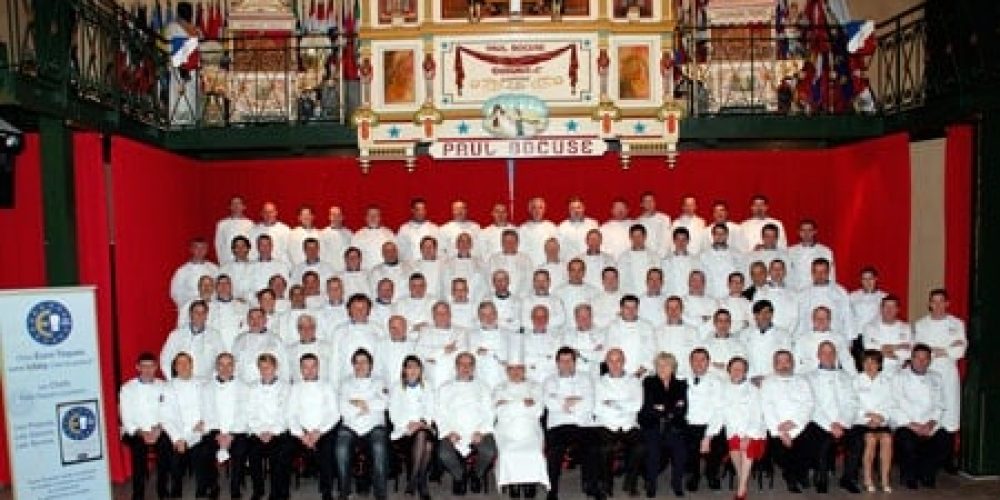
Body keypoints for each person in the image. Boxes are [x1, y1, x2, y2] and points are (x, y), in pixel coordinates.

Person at [702, 357, 766, 500]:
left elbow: (757, 415)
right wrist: (708, 436)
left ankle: (741, 490)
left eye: (741, 369)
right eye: (734, 368)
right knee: (734, 449)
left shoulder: (753, 390)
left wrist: (748, 435)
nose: (737, 371)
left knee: (745, 448)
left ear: (745, 372)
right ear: (728, 370)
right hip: (733, 431)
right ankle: (742, 476)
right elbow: (718, 413)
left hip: (754, 431)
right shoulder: (723, 389)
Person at [803, 341, 862, 493]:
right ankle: (821, 478)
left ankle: (847, 478)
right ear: (818, 355)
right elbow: (811, 404)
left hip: (843, 422)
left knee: (856, 441)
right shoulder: (809, 378)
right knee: (823, 441)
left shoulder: (846, 377)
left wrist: (842, 423)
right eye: (824, 352)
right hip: (820, 422)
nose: (828, 356)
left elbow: (852, 402)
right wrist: (830, 425)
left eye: (831, 353)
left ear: (836, 355)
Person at [913, 288, 966, 456]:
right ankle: (927, 458)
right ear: (929, 304)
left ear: (947, 303)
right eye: (934, 301)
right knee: (929, 411)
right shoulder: (921, 325)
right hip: (928, 372)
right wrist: (946, 348)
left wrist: (939, 350)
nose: (937, 305)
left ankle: (947, 457)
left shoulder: (957, 324)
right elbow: (921, 350)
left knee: (949, 414)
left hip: (948, 373)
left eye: (941, 301)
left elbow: (960, 351)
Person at [435, 352, 498, 495]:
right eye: (462, 364)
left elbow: (490, 412)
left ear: (474, 367)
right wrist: (448, 431)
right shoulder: (444, 388)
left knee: (489, 451)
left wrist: (481, 431)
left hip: (478, 430)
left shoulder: (484, 387)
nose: (465, 367)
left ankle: (476, 474)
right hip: (453, 430)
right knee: (443, 453)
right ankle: (459, 475)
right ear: (456, 366)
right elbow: (439, 413)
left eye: (469, 364)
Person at [493, 347, 550, 498]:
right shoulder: (500, 387)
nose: (515, 372)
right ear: (506, 371)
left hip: (530, 429)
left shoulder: (535, 386)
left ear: (524, 370)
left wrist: (510, 404)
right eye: (511, 369)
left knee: (534, 452)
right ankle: (513, 482)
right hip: (506, 430)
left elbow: (538, 411)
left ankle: (530, 482)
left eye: (519, 368)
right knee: (507, 453)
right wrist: (523, 404)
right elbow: (500, 413)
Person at [893, 343, 950, 489]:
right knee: (908, 441)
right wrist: (913, 425)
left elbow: (940, 404)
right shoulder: (899, 377)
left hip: (929, 424)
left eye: (925, 359)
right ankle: (909, 476)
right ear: (911, 359)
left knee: (944, 439)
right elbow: (894, 404)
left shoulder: (936, 377)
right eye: (918, 358)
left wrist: (931, 424)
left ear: (930, 360)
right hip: (907, 423)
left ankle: (927, 474)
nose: (921, 362)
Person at [336, 348, 391, 500]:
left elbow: (385, 403)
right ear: (353, 365)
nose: (360, 365)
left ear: (371, 365)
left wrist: (359, 403)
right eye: (357, 362)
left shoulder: (380, 381)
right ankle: (345, 491)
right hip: (350, 425)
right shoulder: (345, 382)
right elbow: (342, 407)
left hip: (374, 426)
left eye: (364, 362)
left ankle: (380, 493)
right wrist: (368, 405)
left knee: (379, 448)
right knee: (341, 448)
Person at [542, 347, 596, 500]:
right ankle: (552, 490)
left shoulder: (586, 378)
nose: (566, 364)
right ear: (557, 363)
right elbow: (549, 403)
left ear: (575, 362)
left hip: (582, 423)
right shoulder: (549, 380)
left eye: (569, 360)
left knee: (592, 448)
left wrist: (563, 403)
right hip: (558, 425)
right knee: (554, 452)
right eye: (562, 361)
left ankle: (590, 486)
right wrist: (574, 401)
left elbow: (590, 403)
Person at [239, 353, 293, 500]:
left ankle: (278, 491)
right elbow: (249, 412)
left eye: (268, 367)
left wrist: (273, 431)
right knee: (253, 451)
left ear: (275, 368)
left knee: (280, 452)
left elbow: (286, 413)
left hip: (279, 431)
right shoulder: (252, 388)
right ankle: (258, 490)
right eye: (262, 368)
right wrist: (260, 431)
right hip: (258, 431)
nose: (265, 371)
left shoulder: (286, 387)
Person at [286, 353, 339, 500]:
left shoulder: (327, 386)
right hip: (301, 432)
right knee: (283, 448)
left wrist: (318, 432)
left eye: (313, 366)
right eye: (305, 367)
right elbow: (291, 414)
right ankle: (282, 490)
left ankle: (326, 490)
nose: (309, 370)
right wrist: (301, 434)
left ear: (318, 368)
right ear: (301, 369)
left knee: (328, 449)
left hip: (322, 430)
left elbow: (334, 414)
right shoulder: (295, 388)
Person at [759, 350, 814, 493]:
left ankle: (801, 474)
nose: (784, 365)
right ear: (774, 365)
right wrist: (782, 432)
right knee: (782, 452)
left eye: (787, 361)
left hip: (799, 424)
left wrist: (794, 424)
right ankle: (790, 477)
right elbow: (767, 407)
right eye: (780, 362)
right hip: (777, 426)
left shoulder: (802, 381)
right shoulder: (768, 382)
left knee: (808, 442)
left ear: (792, 363)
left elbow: (808, 404)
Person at [592, 348, 644, 498]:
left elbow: (637, 405)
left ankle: (630, 483)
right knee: (605, 449)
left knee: (640, 447)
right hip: (606, 424)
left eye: (618, 360)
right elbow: (597, 407)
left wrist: (612, 403)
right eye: (611, 361)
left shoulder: (634, 381)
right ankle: (607, 484)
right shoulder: (599, 382)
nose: (615, 364)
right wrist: (623, 404)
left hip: (629, 424)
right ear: (606, 363)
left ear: (624, 362)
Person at [120, 352, 171, 500]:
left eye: (151, 366)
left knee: (165, 445)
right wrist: (142, 433)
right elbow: (126, 417)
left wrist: (159, 428)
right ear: (138, 367)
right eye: (144, 366)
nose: (148, 370)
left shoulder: (164, 386)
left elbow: (168, 411)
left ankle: (162, 488)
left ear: (156, 367)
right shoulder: (127, 388)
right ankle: (138, 492)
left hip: (158, 428)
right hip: (135, 430)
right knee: (139, 449)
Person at [198, 352, 250, 499]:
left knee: (240, 450)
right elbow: (207, 412)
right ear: (216, 366)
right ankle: (213, 485)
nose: (225, 368)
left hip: (236, 430)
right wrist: (219, 434)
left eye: (229, 364)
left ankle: (235, 487)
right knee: (205, 450)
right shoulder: (206, 387)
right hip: (216, 430)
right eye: (222, 364)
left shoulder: (244, 387)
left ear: (234, 367)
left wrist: (230, 435)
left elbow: (244, 413)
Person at [639, 352, 689, 497]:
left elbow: (683, 409)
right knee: (653, 453)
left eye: (666, 365)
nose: (662, 368)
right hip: (653, 424)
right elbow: (648, 407)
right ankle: (651, 484)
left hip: (674, 426)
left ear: (673, 367)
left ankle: (677, 484)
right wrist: (671, 408)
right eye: (659, 365)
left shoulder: (680, 384)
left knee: (680, 453)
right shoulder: (648, 382)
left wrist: (662, 408)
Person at [160, 352, 209, 497]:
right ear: (175, 367)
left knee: (204, 451)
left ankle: (203, 486)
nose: (183, 366)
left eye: (186, 362)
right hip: (179, 430)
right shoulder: (168, 387)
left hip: (200, 430)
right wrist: (177, 438)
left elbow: (211, 406)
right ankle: (177, 487)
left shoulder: (203, 383)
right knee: (175, 454)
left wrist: (205, 422)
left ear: (192, 365)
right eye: (179, 363)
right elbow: (166, 416)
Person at [389, 355, 437, 499]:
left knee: (423, 436)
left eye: (416, 367)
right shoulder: (396, 387)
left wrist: (422, 422)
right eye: (409, 367)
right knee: (427, 445)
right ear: (404, 370)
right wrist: (407, 424)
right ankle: (420, 481)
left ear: (421, 370)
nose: (413, 370)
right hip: (404, 431)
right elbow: (393, 412)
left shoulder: (427, 386)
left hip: (423, 427)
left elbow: (431, 409)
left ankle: (414, 479)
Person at [683, 348, 726, 492]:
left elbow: (719, 410)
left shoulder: (717, 381)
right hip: (689, 424)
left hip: (710, 423)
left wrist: (708, 436)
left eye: (703, 360)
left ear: (708, 362)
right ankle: (693, 475)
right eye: (695, 359)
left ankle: (711, 474)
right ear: (690, 362)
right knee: (688, 445)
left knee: (718, 445)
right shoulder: (682, 380)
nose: (699, 363)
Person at [854, 350, 896, 493]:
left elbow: (892, 403)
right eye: (866, 362)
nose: (869, 365)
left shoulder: (887, 381)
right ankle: (868, 478)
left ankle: (885, 479)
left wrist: (881, 417)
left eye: (873, 362)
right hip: (861, 422)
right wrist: (868, 417)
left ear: (879, 364)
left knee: (887, 439)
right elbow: (853, 403)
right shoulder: (855, 380)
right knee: (870, 439)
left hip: (881, 421)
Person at [161, 300, 225, 380]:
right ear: (190, 314)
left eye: (203, 313)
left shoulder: (215, 335)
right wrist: (173, 379)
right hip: (179, 382)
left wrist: (211, 382)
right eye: (196, 312)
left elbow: (221, 361)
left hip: (204, 384)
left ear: (206, 315)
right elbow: (165, 359)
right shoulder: (176, 334)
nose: (199, 315)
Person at [416, 301, 470, 387]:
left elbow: (461, 355)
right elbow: (419, 353)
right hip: (431, 378)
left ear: (450, 314)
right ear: (433, 316)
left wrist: (433, 356)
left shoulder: (460, 332)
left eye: (445, 312)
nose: (442, 316)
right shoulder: (425, 331)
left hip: (452, 377)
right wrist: (443, 350)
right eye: (438, 313)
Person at [331, 294, 382, 381]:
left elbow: (381, 359)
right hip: (346, 379)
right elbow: (334, 361)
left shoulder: (378, 330)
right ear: (349, 310)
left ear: (369, 310)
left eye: (363, 308)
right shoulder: (339, 331)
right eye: (355, 308)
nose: (359, 311)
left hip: (373, 381)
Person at [740, 300, 792, 383]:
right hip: (750, 380)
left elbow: (786, 360)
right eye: (760, 313)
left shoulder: (784, 335)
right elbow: (742, 357)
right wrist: (750, 376)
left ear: (772, 314)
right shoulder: (744, 335)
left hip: (774, 380)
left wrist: (769, 378)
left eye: (767, 312)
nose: (764, 316)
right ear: (755, 316)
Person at [232, 308, 288, 384]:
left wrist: (284, 384)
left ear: (265, 320)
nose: (255, 321)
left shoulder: (276, 340)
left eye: (259, 317)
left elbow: (284, 365)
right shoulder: (239, 340)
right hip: (245, 386)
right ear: (247, 321)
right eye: (252, 318)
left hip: (270, 386)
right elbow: (233, 365)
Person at [796, 306, 858, 375]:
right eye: (818, 318)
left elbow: (847, 361)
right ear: (812, 319)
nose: (821, 321)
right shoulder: (802, 340)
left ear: (830, 320)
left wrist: (854, 377)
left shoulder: (839, 338)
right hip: (809, 377)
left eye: (824, 318)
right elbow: (796, 362)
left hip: (834, 377)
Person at [605, 295, 654, 378]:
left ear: (638, 309)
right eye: (627, 307)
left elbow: (652, 351)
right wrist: (620, 373)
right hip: (619, 375)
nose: (631, 311)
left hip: (643, 374)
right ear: (621, 309)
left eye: (634, 308)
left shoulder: (647, 326)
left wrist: (640, 372)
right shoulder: (613, 327)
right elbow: (610, 351)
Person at [862, 296, 912, 372]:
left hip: (900, 370)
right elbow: (870, 351)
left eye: (893, 307)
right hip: (877, 371)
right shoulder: (869, 328)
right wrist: (898, 346)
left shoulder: (906, 328)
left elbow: (909, 353)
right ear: (881, 309)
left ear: (897, 309)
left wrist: (885, 350)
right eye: (886, 306)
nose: (889, 310)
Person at [469, 301, 512, 389]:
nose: (488, 318)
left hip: (504, 381)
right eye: (484, 315)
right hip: (481, 381)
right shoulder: (471, 336)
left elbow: (507, 360)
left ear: (496, 314)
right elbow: (471, 359)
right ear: (479, 317)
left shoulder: (508, 334)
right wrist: (495, 355)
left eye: (491, 314)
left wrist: (488, 352)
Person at [170, 237, 220, 309]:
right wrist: (188, 307)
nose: (200, 251)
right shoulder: (182, 271)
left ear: (206, 250)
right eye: (196, 248)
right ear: (191, 249)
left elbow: (219, 288)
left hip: (211, 308)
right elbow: (175, 293)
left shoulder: (214, 269)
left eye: (203, 248)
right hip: (191, 309)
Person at [848, 267, 887, 357]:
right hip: (858, 337)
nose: (868, 282)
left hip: (876, 336)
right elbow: (848, 319)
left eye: (870, 278)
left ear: (876, 279)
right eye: (864, 279)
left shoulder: (884, 297)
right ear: (861, 281)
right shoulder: (852, 296)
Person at [787, 219, 836, 290]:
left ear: (815, 232)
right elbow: (787, 274)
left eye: (809, 230)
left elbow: (831, 275)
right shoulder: (790, 251)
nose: (806, 233)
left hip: (817, 291)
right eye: (803, 230)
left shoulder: (825, 251)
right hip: (795, 292)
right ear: (799, 232)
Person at [697, 309, 748, 376]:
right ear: (714, 323)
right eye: (720, 321)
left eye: (726, 321)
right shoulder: (705, 345)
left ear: (730, 323)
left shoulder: (739, 345)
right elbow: (700, 365)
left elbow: (741, 365)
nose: (723, 324)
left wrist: (721, 366)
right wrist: (725, 366)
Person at [285, 314, 334, 383]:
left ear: (315, 328)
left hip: (323, 389)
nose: (306, 331)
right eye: (302, 328)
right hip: (299, 389)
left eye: (310, 327)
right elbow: (287, 374)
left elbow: (334, 371)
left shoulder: (327, 347)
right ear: (298, 330)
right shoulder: (290, 350)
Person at [700, 224, 744, 300]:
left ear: (727, 235)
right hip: (709, 296)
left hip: (731, 298)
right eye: (717, 234)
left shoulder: (737, 255)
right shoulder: (703, 256)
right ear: (712, 235)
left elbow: (741, 277)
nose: (719, 236)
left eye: (722, 234)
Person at [488, 229, 535, 298]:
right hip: (498, 298)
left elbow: (529, 280)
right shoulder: (494, 259)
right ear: (502, 243)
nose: (509, 244)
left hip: (521, 299)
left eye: (512, 241)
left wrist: (520, 298)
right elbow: (489, 280)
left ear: (517, 243)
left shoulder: (525, 259)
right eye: (506, 241)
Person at [616, 224, 661, 296]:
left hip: (650, 296)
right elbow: (620, 281)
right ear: (630, 237)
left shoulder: (654, 257)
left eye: (639, 236)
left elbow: (659, 279)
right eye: (634, 236)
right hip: (630, 297)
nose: (637, 239)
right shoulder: (623, 258)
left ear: (645, 237)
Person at [208, 274, 249, 352]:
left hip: (239, 349)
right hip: (216, 349)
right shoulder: (209, 307)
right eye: (220, 284)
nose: (223, 286)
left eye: (226, 283)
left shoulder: (243, 307)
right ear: (216, 288)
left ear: (231, 287)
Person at [661, 227, 702, 298]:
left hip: (690, 299)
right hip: (671, 299)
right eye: (678, 239)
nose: (681, 243)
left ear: (688, 241)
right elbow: (663, 283)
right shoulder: (665, 262)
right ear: (674, 241)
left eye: (684, 240)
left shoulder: (696, 261)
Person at [352, 205, 396, 271]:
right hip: (366, 272)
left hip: (386, 271)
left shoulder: (389, 234)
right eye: (370, 215)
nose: (373, 218)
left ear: (380, 218)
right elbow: (354, 256)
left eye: (376, 215)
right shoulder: (358, 236)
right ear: (365, 218)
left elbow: (394, 254)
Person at [248, 234, 292, 300]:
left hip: (278, 302)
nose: (265, 248)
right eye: (262, 245)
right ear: (257, 247)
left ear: (272, 247)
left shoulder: (282, 266)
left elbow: (287, 287)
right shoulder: (250, 267)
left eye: (267, 245)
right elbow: (246, 288)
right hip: (255, 302)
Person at [398, 198, 441, 262]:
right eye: (418, 210)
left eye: (423, 209)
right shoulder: (404, 229)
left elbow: (439, 250)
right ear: (412, 210)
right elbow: (400, 251)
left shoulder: (434, 228)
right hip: (411, 266)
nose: (421, 212)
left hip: (431, 265)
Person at [520, 197, 560, 267]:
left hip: (548, 265)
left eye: (540, 208)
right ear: (529, 210)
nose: (537, 211)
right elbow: (520, 251)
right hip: (529, 266)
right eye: (534, 208)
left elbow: (556, 249)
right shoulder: (523, 228)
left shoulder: (551, 227)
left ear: (544, 210)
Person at [557, 195, 599, 260]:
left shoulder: (593, 224)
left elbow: (599, 245)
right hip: (570, 264)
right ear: (569, 210)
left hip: (590, 262)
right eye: (572, 208)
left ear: (583, 208)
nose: (576, 211)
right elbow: (559, 249)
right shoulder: (562, 227)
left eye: (578, 207)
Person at [215, 195, 253, 265]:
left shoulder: (250, 224)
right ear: (229, 207)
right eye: (233, 204)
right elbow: (218, 245)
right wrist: (222, 262)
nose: (236, 206)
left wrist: (250, 261)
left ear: (244, 207)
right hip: (228, 261)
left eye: (239, 203)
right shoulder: (222, 224)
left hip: (246, 262)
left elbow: (252, 243)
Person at [637, 191, 673, 257]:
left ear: (655, 203)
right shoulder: (638, 222)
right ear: (641, 204)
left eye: (651, 201)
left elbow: (666, 240)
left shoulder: (664, 219)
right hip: (645, 258)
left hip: (662, 258)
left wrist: (658, 257)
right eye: (646, 202)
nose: (649, 204)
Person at [220, 235, 255, 301]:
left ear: (248, 248)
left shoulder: (256, 267)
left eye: (243, 246)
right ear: (233, 249)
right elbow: (221, 288)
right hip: (231, 303)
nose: (240, 249)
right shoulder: (225, 268)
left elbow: (258, 287)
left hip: (252, 303)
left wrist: (246, 298)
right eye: (237, 247)